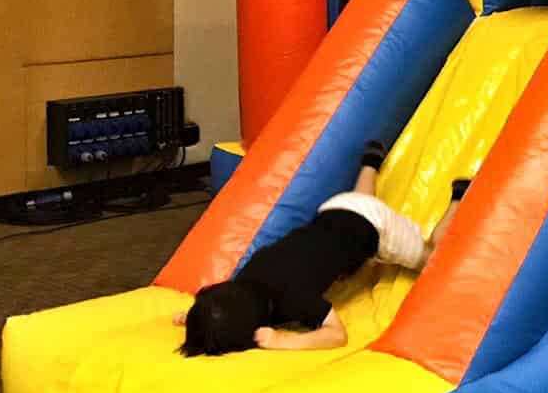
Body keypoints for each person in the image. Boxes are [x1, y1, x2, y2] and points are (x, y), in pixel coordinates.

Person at [175, 143, 466, 355]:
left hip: (374, 227)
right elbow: (220, 300)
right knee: (359, 202)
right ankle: (370, 164)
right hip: (336, 208)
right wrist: (196, 316)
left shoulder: (294, 300)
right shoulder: (247, 277)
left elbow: (336, 335)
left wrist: (285, 340)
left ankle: (458, 197)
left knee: (430, 258)